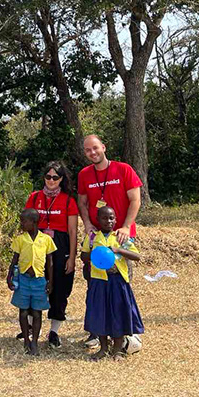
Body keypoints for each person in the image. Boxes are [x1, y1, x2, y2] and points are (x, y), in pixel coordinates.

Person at [77, 134, 142, 347]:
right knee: (96, 284)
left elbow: (135, 200)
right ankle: (97, 331)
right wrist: (87, 225)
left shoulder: (123, 169)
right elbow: (83, 203)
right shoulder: (85, 174)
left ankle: (124, 330)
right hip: (98, 238)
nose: (92, 153)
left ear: (103, 147)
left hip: (120, 236)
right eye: (88, 150)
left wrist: (125, 226)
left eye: (95, 148)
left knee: (120, 284)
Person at [24, 161, 79, 348]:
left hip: (60, 245)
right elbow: (25, 225)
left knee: (60, 289)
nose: (51, 180)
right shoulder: (34, 197)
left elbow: (73, 231)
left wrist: (72, 257)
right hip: (37, 245)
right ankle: (30, 327)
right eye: (48, 177)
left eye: (55, 177)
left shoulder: (69, 200)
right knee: (34, 285)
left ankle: (54, 331)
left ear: (61, 179)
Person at [82, 206, 144, 360]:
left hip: (117, 281)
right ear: (98, 220)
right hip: (98, 281)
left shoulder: (120, 237)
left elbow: (136, 256)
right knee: (100, 313)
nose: (108, 221)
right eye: (104, 218)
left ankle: (117, 349)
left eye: (111, 218)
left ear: (116, 220)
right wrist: (96, 254)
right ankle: (103, 348)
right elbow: (83, 256)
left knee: (118, 313)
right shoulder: (92, 237)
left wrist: (118, 250)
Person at [7, 208, 56, 356]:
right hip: (23, 280)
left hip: (39, 280)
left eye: (24, 221)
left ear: (34, 222)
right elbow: (14, 260)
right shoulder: (20, 239)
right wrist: (9, 276)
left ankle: (34, 341)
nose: (21, 224)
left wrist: (50, 282)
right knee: (23, 312)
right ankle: (26, 341)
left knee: (36, 312)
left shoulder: (46, 240)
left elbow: (50, 263)